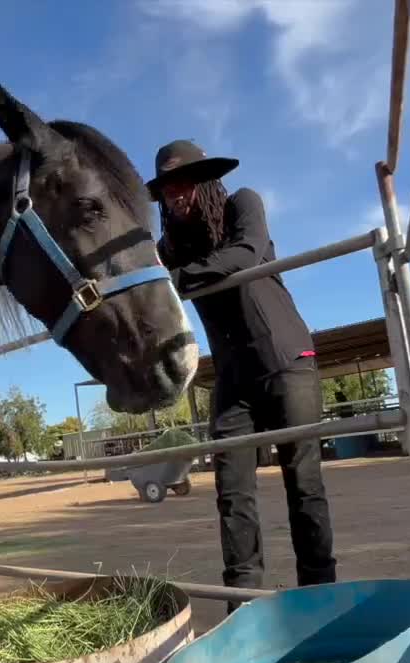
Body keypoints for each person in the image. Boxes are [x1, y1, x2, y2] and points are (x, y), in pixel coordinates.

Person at [146, 139, 336, 611]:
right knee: (232, 494)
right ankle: (244, 605)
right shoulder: (170, 247)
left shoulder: (241, 205)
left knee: (303, 481)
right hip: (231, 378)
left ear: (206, 181)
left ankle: (320, 595)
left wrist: (174, 280)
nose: (178, 196)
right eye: (168, 190)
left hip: (286, 359)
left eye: (186, 184)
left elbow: (245, 254)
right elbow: (143, 283)